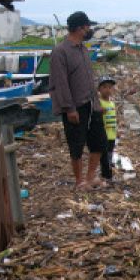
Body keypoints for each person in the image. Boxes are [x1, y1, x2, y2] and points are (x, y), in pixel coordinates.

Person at [49, 11, 105, 189]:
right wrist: (69, 108)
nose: (89, 30)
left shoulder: (83, 48)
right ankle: (80, 180)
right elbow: (60, 82)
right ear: (79, 28)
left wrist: (98, 103)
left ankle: (90, 177)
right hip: (75, 106)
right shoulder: (60, 52)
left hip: (91, 103)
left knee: (98, 141)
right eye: (87, 27)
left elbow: (89, 78)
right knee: (77, 144)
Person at [97, 77, 119, 184]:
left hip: (112, 135)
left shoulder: (111, 103)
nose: (107, 90)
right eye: (104, 87)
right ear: (99, 89)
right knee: (104, 156)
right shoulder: (99, 103)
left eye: (110, 87)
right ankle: (106, 175)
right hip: (103, 134)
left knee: (109, 155)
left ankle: (107, 175)